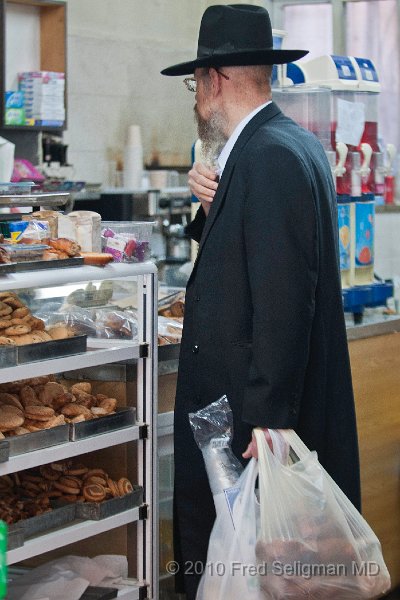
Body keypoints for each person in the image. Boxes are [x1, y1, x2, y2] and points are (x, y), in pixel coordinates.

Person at [161, 5, 361, 598]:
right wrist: (208, 209)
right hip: (249, 415)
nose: (195, 101)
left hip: (254, 424)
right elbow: (256, 252)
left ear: (214, 81)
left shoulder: (267, 156)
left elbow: (282, 296)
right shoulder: (282, 144)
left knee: (255, 575)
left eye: (194, 86)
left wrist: (270, 419)